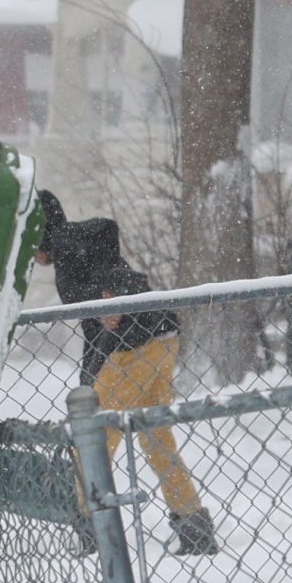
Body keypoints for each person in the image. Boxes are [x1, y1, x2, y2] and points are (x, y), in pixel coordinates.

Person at [34, 191, 222, 557]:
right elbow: (95, 324)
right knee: (155, 438)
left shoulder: (67, 247)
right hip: (162, 337)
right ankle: (193, 524)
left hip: (135, 346)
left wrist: (112, 290)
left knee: (94, 435)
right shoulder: (72, 242)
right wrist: (90, 373)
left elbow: (106, 236)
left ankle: (93, 531)